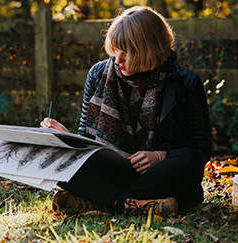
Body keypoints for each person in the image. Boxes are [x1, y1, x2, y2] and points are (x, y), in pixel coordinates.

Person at [40, 6, 212, 216]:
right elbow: (86, 137)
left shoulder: (186, 83)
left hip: (157, 174)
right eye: (115, 50)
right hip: (111, 171)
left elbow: (201, 150)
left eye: (126, 53)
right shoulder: (98, 73)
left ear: (149, 51)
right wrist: (65, 136)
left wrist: (160, 156)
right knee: (59, 159)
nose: (117, 59)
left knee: (189, 161)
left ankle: (101, 199)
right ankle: (126, 205)